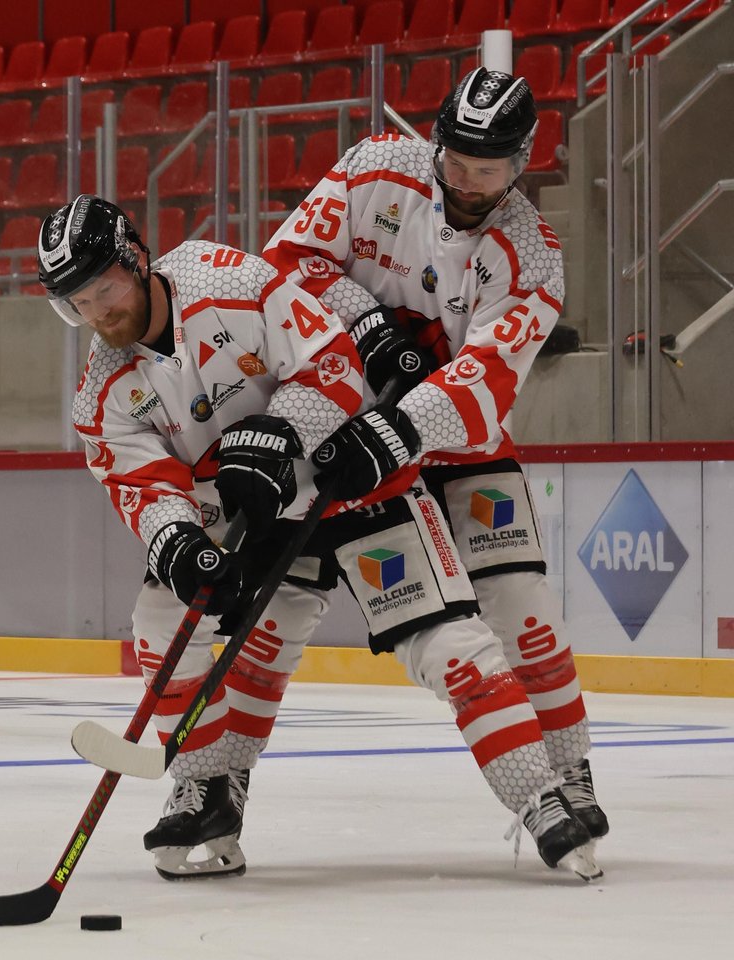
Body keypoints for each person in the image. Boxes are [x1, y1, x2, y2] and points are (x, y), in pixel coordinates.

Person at [38, 193, 598, 885]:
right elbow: (144, 487)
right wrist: (181, 544)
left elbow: (334, 360)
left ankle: (541, 798)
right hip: (256, 511)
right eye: (78, 305)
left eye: (105, 290)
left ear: (138, 260)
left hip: (346, 475)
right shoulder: (102, 392)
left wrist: (281, 435)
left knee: (448, 645)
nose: (98, 314)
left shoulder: (228, 281)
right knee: (161, 617)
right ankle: (206, 788)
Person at [262, 67, 609, 853]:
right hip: (348, 435)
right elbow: (284, 266)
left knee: (523, 610)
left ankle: (569, 769)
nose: (466, 181)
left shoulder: (532, 254)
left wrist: (402, 426)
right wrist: (370, 327)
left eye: (487, 170)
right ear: (436, 141)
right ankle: (216, 781)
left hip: (460, 445)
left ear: (521, 165)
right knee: (287, 607)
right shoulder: (371, 170)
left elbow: (486, 380)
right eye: (455, 160)